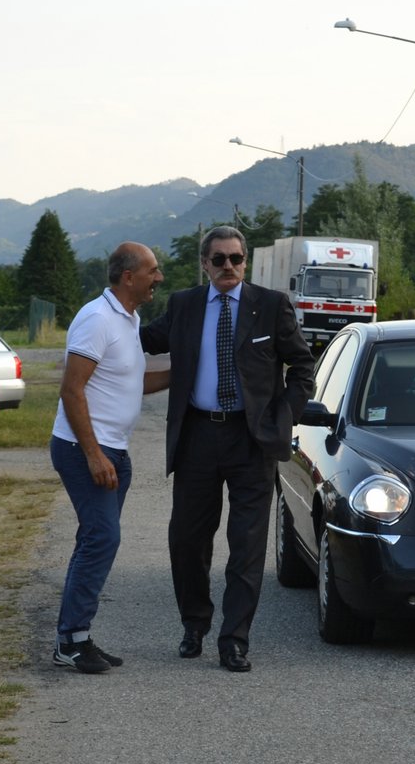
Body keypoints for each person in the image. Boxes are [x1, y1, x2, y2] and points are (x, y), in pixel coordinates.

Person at [140, 226, 316, 672]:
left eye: (236, 259)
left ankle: (234, 639)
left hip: (251, 439)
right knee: (186, 540)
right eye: (218, 260)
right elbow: (141, 339)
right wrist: (103, 316)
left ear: (245, 262)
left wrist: (286, 415)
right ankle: (195, 623)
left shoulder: (271, 306)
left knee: (247, 545)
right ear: (205, 264)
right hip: (198, 435)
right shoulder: (184, 305)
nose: (228, 267)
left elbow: (302, 365)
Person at [50, 242, 169, 673]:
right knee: (103, 538)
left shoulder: (129, 319)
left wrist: (184, 374)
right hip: (87, 451)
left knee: (94, 540)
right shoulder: (97, 319)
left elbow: (131, 383)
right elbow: (71, 390)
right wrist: (95, 454)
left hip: (113, 450)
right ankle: (72, 640)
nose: (159, 278)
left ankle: (74, 637)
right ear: (128, 276)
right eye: (153, 271)